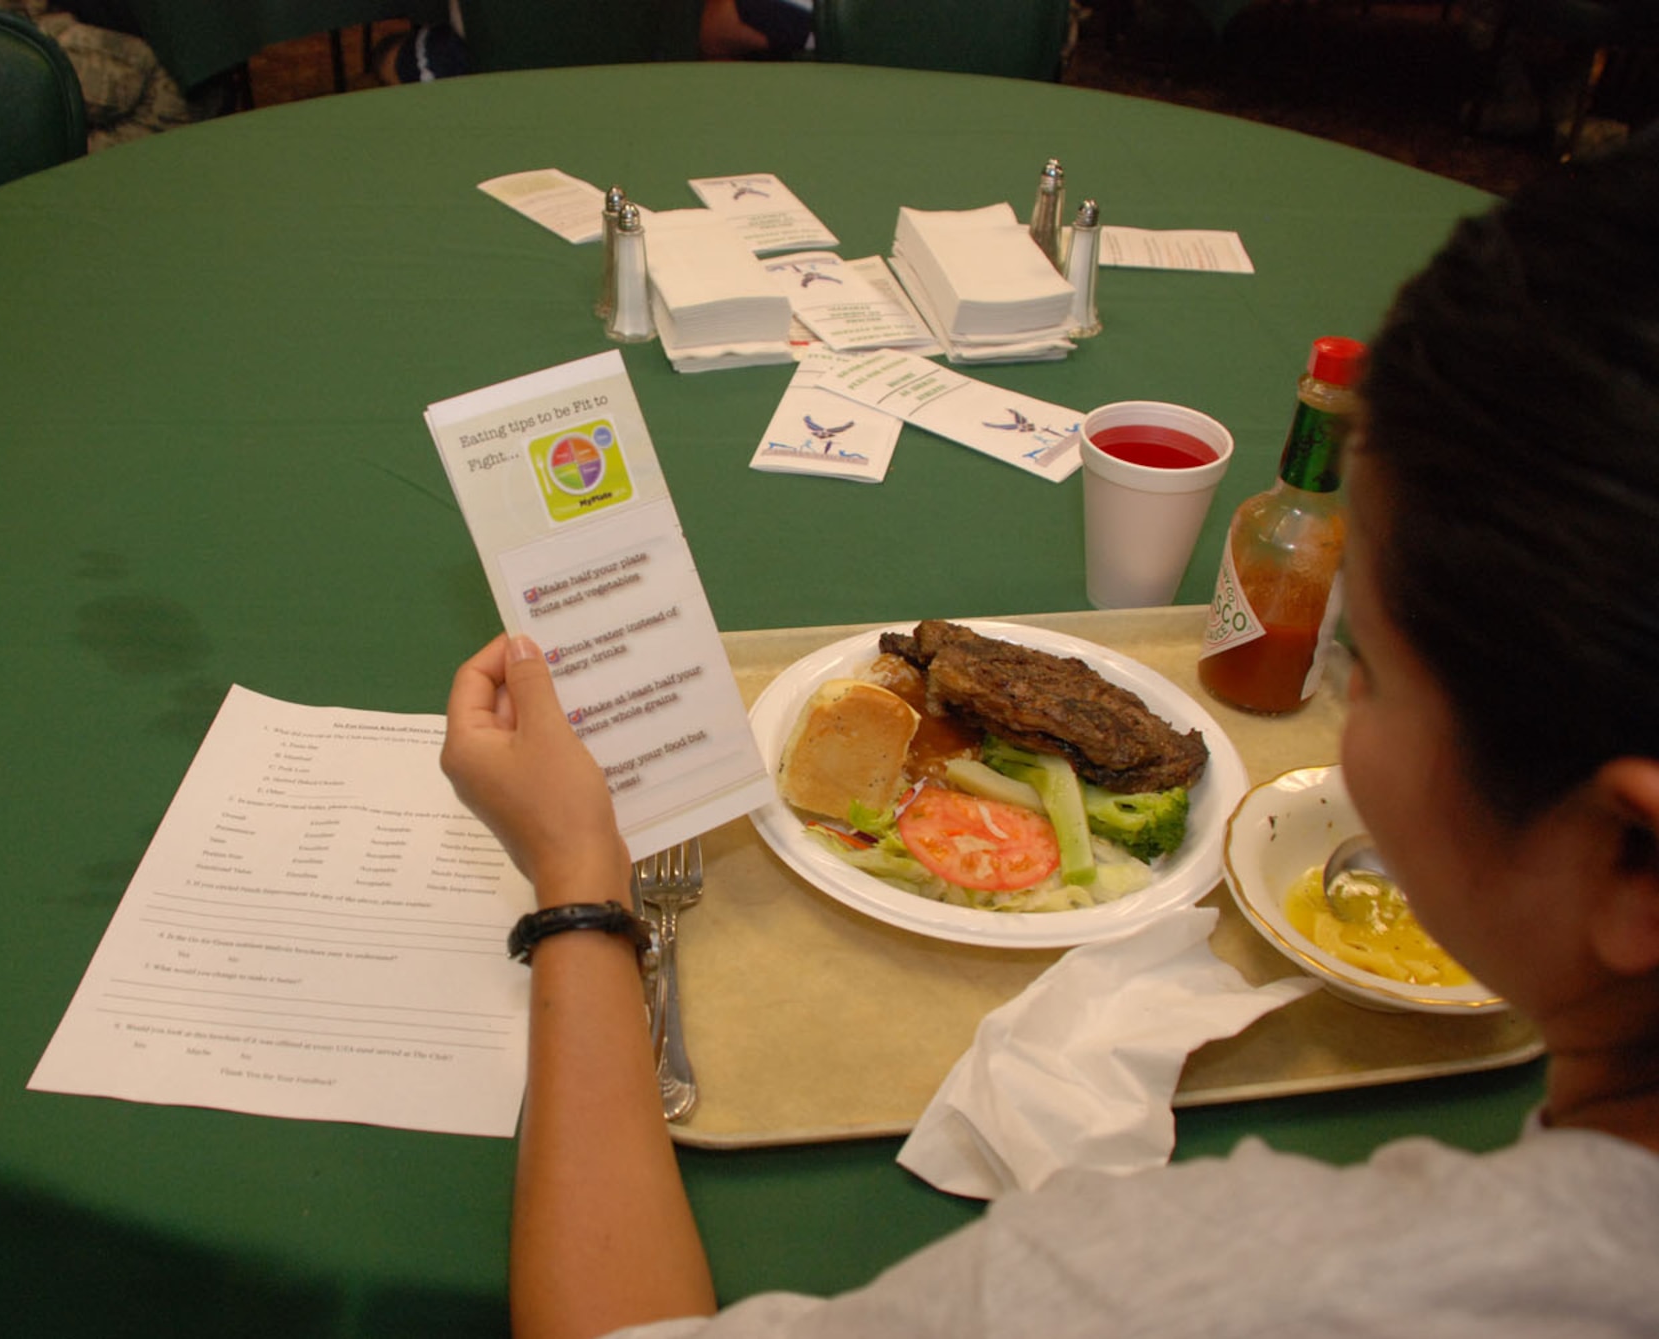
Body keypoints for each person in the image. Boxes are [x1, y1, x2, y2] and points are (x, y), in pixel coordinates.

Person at [440, 132, 1659, 1338]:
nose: (1334, 713)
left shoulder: (1212, 1286)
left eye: (1371, 671)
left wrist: (577, 881)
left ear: (1631, 860)